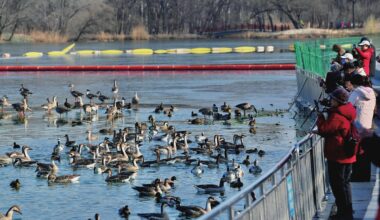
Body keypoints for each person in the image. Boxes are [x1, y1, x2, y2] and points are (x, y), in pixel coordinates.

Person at [316, 87, 357, 219]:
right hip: (347, 155)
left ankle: (343, 214)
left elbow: (324, 129)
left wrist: (321, 117)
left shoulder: (337, 116)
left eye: (332, 99)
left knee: (338, 186)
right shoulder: (347, 111)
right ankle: (347, 212)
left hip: (338, 155)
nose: (330, 100)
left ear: (338, 101)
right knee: (345, 184)